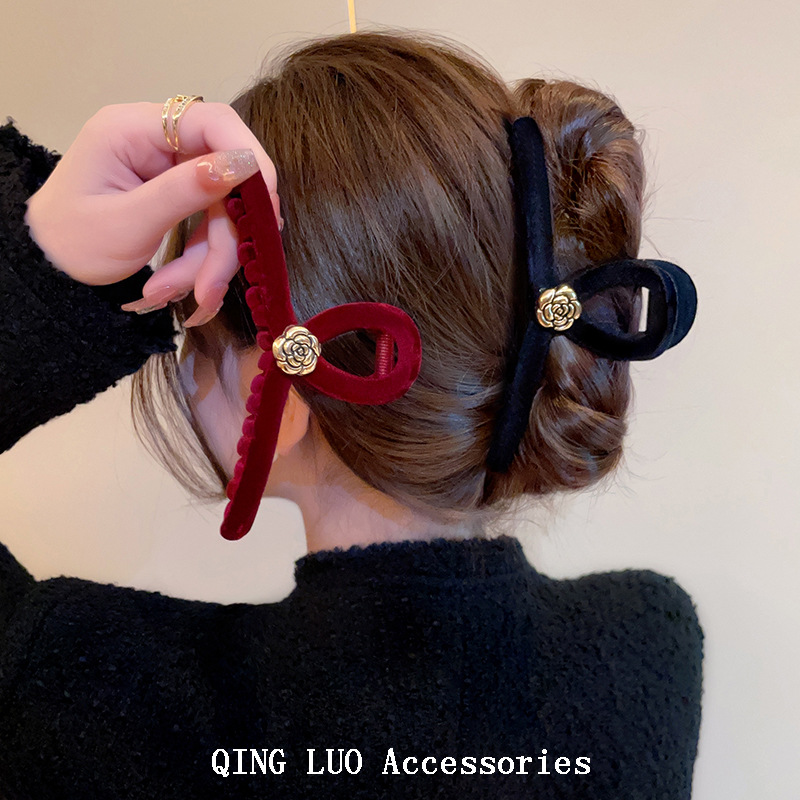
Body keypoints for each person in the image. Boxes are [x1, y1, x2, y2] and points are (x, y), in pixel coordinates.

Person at [0, 30, 703, 799]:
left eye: (190, 323)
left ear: (286, 384)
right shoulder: (646, 649)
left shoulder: (90, 691)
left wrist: (40, 261)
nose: (183, 362)